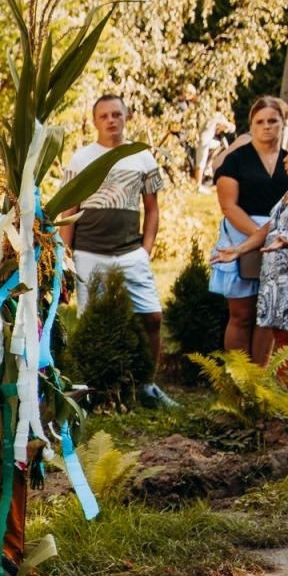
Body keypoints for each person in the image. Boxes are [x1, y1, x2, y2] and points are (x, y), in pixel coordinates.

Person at [60, 94, 176, 407]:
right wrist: (65, 256)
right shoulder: (81, 159)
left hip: (130, 252)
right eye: (104, 116)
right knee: (90, 322)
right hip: (89, 252)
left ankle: (148, 386)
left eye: (117, 114)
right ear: (95, 121)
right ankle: (91, 390)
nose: (111, 120)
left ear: (127, 117)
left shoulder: (141, 157)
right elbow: (69, 210)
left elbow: (152, 209)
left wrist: (146, 249)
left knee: (152, 316)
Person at [210, 97, 288, 359]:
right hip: (241, 231)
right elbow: (228, 205)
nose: (266, 127)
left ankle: (259, 381)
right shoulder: (236, 160)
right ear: (251, 125)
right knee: (242, 314)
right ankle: (238, 380)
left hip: (282, 238)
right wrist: (259, 236)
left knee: (268, 314)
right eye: (260, 122)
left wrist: (275, 234)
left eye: (273, 121)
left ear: (283, 123)